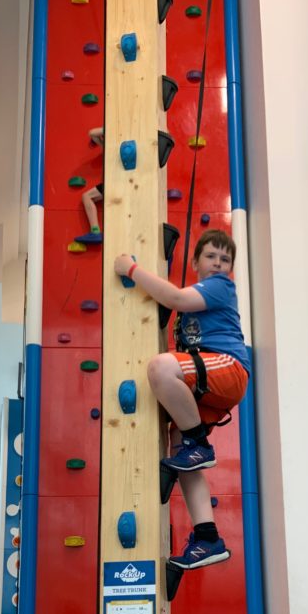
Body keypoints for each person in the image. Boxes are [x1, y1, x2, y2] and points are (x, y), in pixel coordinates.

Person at [114, 229, 249, 570]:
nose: (219, 263)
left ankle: (198, 442)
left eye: (225, 259)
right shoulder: (199, 292)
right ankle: (207, 537)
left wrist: (132, 270)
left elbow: (174, 299)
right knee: (180, 450)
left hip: (227, 368)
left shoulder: (221, 287)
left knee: (161, 368)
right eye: (211, 257)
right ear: (195, 262)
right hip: (207, 380)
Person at [79, 127, 104, 241]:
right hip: (120, 182)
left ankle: (95, 231)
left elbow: (92, 133)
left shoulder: (109, 145)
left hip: (113, 182)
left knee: (87, 196)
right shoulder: (111, 145)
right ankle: (95, 232)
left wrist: (109, 128)